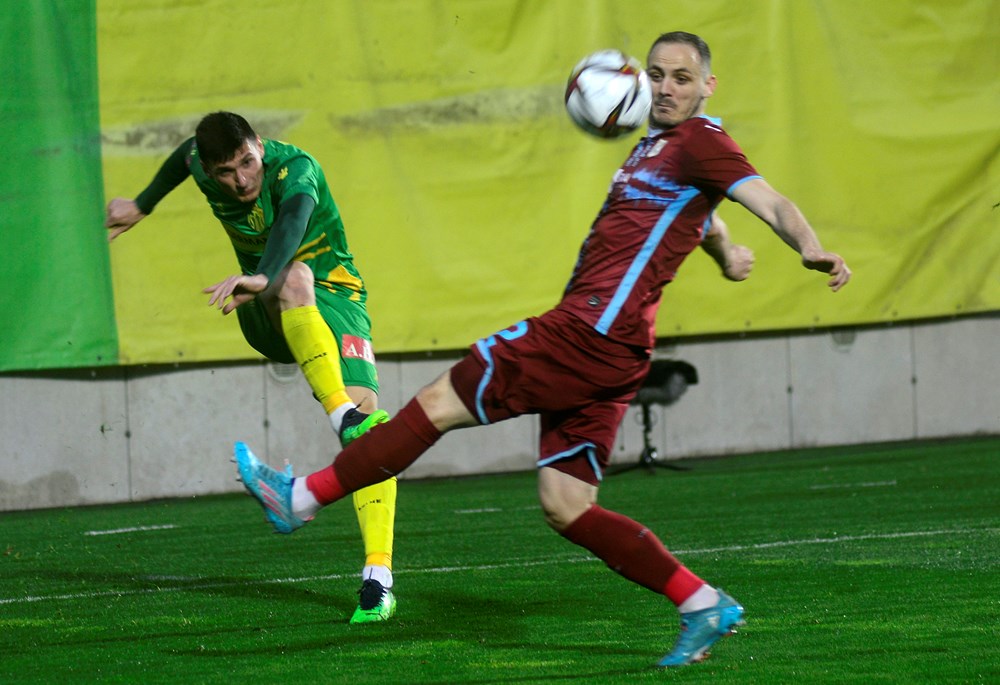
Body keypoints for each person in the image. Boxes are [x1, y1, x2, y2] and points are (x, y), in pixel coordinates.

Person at [234, 31, 851, 667]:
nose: (666, 88)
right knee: (567, 505)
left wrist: (809, 246)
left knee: (438, 402)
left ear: (708, 86)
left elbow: (767, 199)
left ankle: (301, 497)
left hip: (587, 333)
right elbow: (705, 216)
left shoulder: (702, 142)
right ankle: (701, 603)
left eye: (682, 78)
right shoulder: (658, 148)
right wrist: (724, 255)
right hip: (616, 350)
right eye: (657, 74)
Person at [104, 112, 401, 624]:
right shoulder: (202, 165)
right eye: (226, 172)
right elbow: (183, 156)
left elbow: (292, 219)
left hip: (337, 298)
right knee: (295, 277)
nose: (242, 180)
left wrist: (263, 273)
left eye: (247, 162)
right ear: (210, 170)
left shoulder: (296, 168)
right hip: (264, 302)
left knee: (372, 439)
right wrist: (142, 204)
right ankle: (341, 417)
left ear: (259, 146)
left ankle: (377, 582)